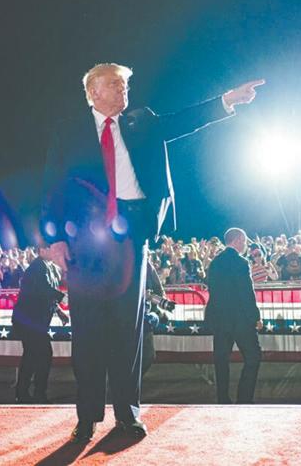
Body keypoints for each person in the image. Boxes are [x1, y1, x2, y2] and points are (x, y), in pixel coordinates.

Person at [40, 62, 263, 443]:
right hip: (85, 243)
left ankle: (127, 415)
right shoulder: (69, 132)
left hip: (132, 237)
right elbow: (51, 184)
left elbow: (183, 121)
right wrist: (54, 238)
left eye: (125, 85)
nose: (123, 90)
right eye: (115, 84)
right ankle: (87, 417)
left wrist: (226, 100)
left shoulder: (141, 121)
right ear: (93, 91)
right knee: (88, 332)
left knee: (128, 331)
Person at [204, 228, 262, 404]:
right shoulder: (241, 263)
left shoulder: (215, 263)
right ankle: (244, 398)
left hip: (220, 319)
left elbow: (212, 290)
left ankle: (223, 398)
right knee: (253, 357)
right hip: (240, 319)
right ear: (237, 240)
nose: (245, 245)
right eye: (244, 241)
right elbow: (246, 293)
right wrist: (255, 317)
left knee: (221, 361)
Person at [12, 244, 69, 404]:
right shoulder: (37, 267)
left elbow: (46, 295)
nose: (55, 252)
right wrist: (63, 298)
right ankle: (37, 394)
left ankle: (24, 393)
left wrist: (58, 311)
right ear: (42, 250)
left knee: (32, 356)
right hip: (28, 320)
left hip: (35, 321)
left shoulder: (50, 267)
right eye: (51, 249)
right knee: (43, 354)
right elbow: (43, 289)